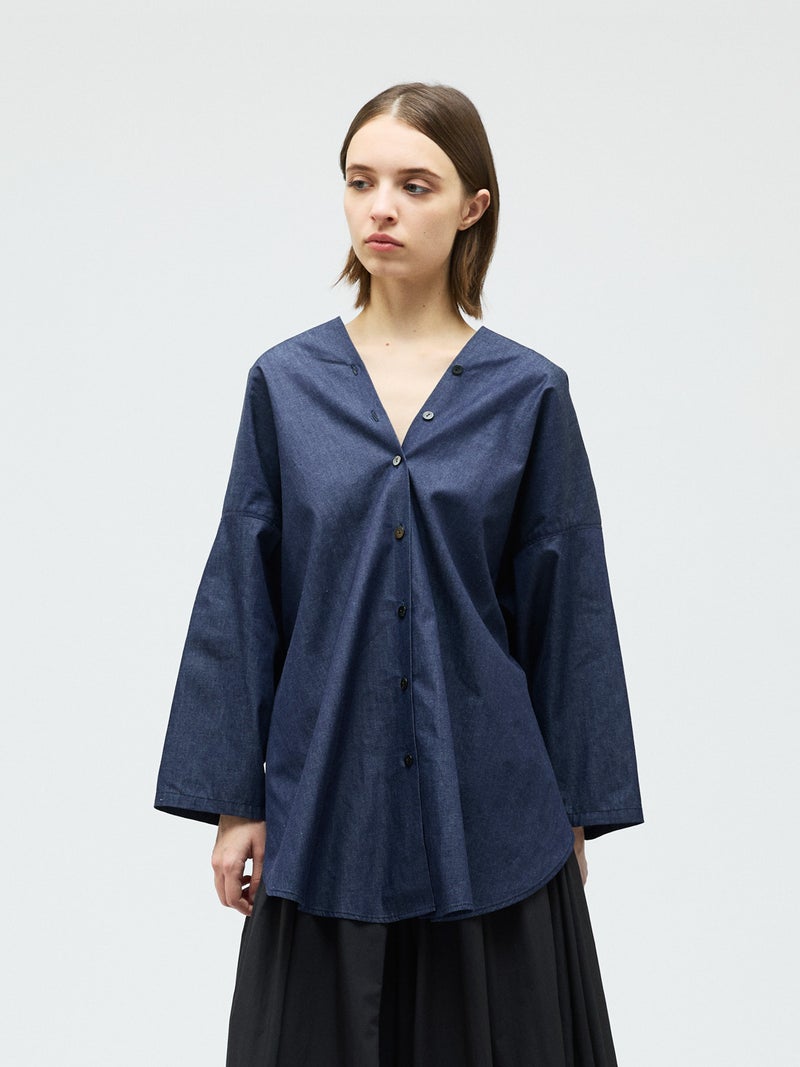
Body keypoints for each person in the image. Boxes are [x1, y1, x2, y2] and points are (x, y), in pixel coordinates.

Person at [155, 81, 644, 1066]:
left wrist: (574, 813)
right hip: (324, 799)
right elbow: (243, 593)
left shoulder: (527, 392)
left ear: (472, 206)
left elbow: (569, 606)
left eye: (415, 185)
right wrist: (236, 801)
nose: (380, 207)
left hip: (493, 809)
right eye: (360, 181)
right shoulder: (286, 384)